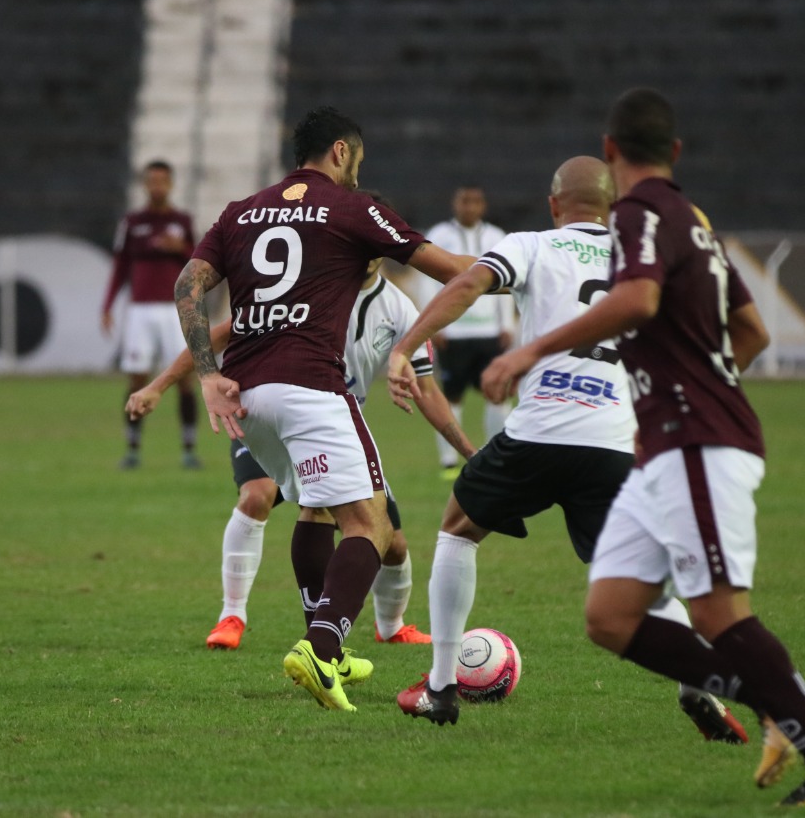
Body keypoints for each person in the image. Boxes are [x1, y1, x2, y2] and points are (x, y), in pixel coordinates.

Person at [481, 88, 805, 806]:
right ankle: (781, 701)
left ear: (609, 151)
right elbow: (751, 331)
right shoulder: (693, 220)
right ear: (677, 152)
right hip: (665, 443)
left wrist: (526, 350)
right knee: (611, 615)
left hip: (697, 441)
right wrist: (694, 379)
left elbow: (637, 301)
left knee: (719, 608)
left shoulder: (635, 214)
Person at [387, 156, 746, 745]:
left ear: (555, 205)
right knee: (643, 584)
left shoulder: (531, 244)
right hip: (612, 441)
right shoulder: (643, 262)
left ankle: (441, 688)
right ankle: (697, 683)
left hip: (540, 431)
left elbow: (470, 284)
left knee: (457, 527)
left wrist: (408, 347)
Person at [173, 106, 472, 711]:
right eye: (357, 160)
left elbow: (187, 286)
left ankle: (325, 643)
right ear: (340, 151)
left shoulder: (241, 211)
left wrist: (207, 375)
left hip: (246, 399)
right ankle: (322, 647)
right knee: (374, 525)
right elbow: (455, 273)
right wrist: (523, 271)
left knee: (315, 513)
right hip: (310, 387)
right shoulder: (353, 208)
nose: (358, 171)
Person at [128, 255, 476, 650]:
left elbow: (427, 390)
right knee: (259, 494)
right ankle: (233, 616)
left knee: (390, 542)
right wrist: (159, 385)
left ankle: (390, 625)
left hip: (335, 429)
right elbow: (224, 332)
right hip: (268, 413)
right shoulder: (308, 286)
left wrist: (470, 452)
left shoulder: (398, 308)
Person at [101, 160, 200, 470]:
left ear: (170, 185)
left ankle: (188, 448)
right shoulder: (132, 222)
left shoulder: (182, 221)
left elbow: (197, 262)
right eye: (152, 181)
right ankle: (132, 448)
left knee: (184, 378)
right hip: (140, 310)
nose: (157, 186)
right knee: (137, 378)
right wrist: (107, 305)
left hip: (175, 311)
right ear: (145, 184)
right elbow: (119, 266)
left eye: (162, 181)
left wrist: (181, 247)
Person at [419, 186, 516, 479]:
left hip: (489, 333)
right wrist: (434, 324)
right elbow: (427, 281)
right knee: (452, 396)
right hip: (453, 332)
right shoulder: (438, 235)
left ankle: (495, 454)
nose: (469, 207)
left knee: (497, 394)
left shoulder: (497, 237)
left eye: (475, 201)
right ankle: (449, 462)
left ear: (483, 205)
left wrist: (507, 324)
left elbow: (508, 278)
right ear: (455, 203)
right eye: (464, 201)